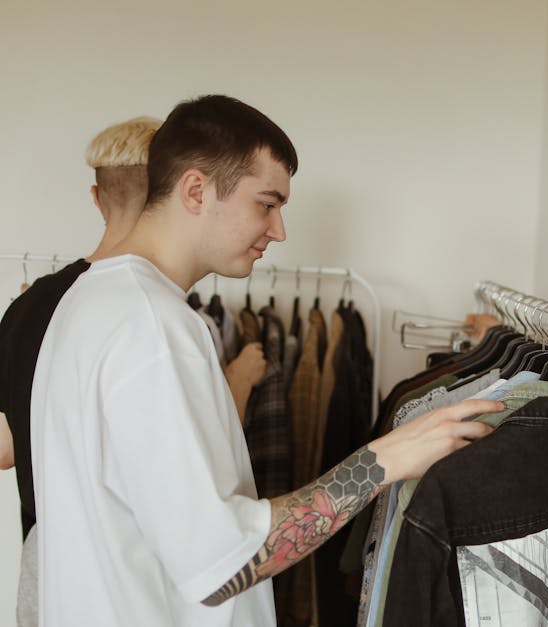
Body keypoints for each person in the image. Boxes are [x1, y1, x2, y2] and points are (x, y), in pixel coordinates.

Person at [30, 94, 501, 626]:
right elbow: (219, 563)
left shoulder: (88, 298)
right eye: (267, 203)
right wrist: (383, 461)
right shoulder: (154, 325)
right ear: (195, 190)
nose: (278, 231)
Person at [0, 115, 266, 626]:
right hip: (133, 572)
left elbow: (8, 449)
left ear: (97, 198)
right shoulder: (151, 318)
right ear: (171, 196)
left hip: (49, 561)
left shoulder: (36, 305)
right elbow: (188, 488)